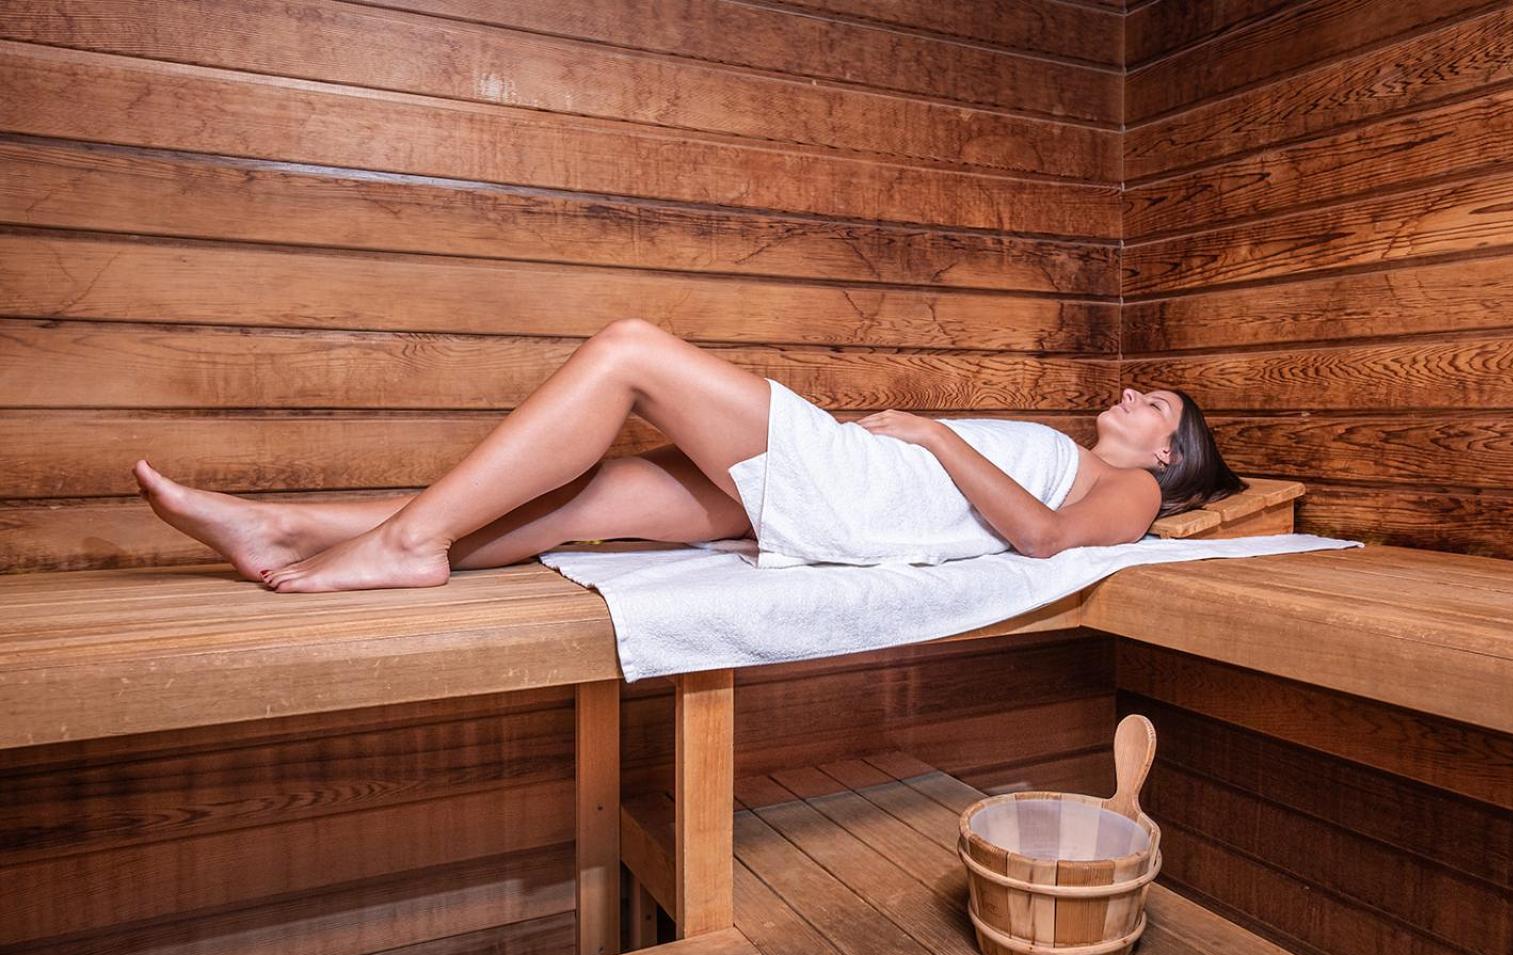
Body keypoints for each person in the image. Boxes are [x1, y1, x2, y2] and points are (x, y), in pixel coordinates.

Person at [132, 318, 1244, 593]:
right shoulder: (1074, 449)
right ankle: (290, 526)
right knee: (591, 498)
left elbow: (1042, 539)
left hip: (862, 494)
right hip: (857, 492)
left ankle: (407, 543)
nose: (1134, 396)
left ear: (1170, 457)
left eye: (1157, 405)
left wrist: (933, 431)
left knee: (630, 351)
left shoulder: (1130, 498)